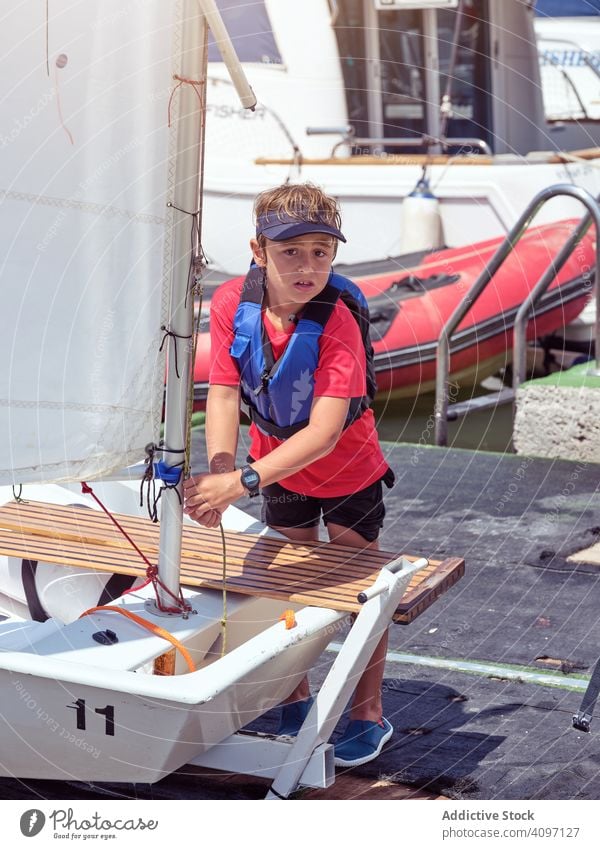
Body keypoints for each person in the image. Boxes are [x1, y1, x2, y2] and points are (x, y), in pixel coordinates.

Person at [183, 182, 395, 768]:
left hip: (349, 471)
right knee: (289, 585)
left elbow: (325, 432)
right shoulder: (231, 303)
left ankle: (368, 712)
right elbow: (223, 392)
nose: (308, 267)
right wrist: (222, 469)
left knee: (363, 591)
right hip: (274, 466)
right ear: (258, 252)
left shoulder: (339, 321)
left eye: (321, 253)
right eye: (291, 252)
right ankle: (296, 695)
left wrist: (242, 482)